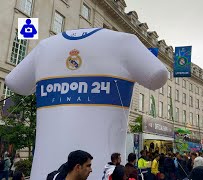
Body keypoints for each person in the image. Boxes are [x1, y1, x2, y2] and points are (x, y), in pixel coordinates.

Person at [5, 27, 168, 179]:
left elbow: (14, 82)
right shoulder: (125, 43)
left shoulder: (44, 47)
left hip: (43, 172)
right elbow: (158, 76)